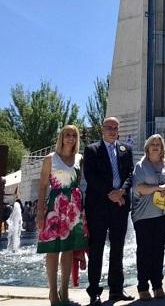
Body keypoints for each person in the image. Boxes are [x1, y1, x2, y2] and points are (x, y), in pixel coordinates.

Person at [83, 116, 134, 306]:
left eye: (115, 127)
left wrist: (121, 192)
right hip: (98, 206)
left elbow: (130, 173)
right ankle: (94, 291)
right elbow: (90, 176)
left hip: (120, 205)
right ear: (102, 129)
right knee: (96, 248)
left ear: (118, 130)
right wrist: (110, 193)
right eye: (108, 127)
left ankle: (116, 290)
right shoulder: (92, 150)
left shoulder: (125, 149)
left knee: (118, 248)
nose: (112, 130)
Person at [37, 125, 88, 306]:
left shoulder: (80, 158)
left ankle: (65, 291)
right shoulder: (50, 158)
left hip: (73, 206)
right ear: (61, 137)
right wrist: (40, 212)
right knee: (52, 250)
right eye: (67, 135)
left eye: (74, 135)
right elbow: (43, 185)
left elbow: (81, 183)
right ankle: (52, 292)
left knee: (68, 249)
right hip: (54, 205)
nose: (70, 138)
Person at [131, 134, 165, 300]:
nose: (156, 147)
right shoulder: (140, 166)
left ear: (162, 148)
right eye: (153, 144)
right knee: (144, 251)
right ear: (147, 147)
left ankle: (157, 285)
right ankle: (143, 286)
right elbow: (139, 188)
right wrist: (158, 188)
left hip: (163, 214)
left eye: (159, 144)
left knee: (159, 250)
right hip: (144, 215)